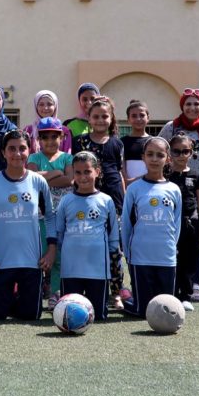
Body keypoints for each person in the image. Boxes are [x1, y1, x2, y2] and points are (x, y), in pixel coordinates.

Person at [0, 130, 57, 321]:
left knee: (30, 316)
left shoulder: (38, 181)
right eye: (11, 149)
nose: (17, 153)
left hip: (32, 263)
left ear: (30, 150)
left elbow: (50, 217)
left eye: (22, 148)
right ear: (3, 152)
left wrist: (51, 250)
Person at [159, 88, 199, 302]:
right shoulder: (171, 127)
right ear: (182, 106)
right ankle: (175, 283)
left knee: (198, 242)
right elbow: (159, 150)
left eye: (197, 104)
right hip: (175, 192)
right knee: (174, 242)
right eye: (188, 104)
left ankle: (195, 284)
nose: (193, 108)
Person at [73, 95, 126, 310]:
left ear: (112, 118)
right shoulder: (80, 142)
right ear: (89, 118)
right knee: (87, 245)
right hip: (86, 199)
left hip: (113, 200)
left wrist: (124, 200)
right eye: (96, 116)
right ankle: (87, 290)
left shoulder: (117, 143)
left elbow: (121, 173)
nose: (100, 120)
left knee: (114, 250)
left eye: (105, 116)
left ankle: (115, 293)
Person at [54, 151, 119, 321]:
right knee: (69, 314)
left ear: (97, 172)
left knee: (98, 316)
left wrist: (113, 253)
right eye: (78, 172)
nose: (83, 177)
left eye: (88, 171)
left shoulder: (106, 201)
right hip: (71, 269)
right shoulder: (66, 201)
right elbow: (59, 232)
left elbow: (113, 234)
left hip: (97, 270)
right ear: (73, 173)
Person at [121, 136, 181, 317]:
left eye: (160, 155)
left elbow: (176, 224)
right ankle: (132, 303)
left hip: (165, 256)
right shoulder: (134, 189)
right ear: (143, 158)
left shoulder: (173, 189)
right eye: (150, 154)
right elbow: (126, 223)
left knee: (166, 309)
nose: (155, 159)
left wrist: (171, 247)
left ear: (168, 159)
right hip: (140, 257)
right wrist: (128, 251)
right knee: (143, 312)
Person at [27, 116, 73, 309]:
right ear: (39, 139)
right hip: (40, 216)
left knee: (59, 255)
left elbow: (70, 180)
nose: (50, 141)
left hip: (62, 215)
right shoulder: (34, 158)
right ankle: (35, 291)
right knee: (41, 252)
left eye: (54, 136)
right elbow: (31, 180)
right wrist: (56, 174)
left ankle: (56, 292)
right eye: (45, 137)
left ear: (61, 137)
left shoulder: (67, 158)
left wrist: (44, 180)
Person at [165, 133, 199, 311]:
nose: (181, 155)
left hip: (191, 224)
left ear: (191, 153)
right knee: (171, 259)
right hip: (169, 225)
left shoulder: (195, 176)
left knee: (189, 261)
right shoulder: (165, 175)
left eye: (185, 151)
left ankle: (186, 295)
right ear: (169, 154)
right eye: (176, 151)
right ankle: (172, 293)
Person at [23, 90, 72, 154]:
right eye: (41, 104)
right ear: (36, 107)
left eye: (49, 104)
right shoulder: (28, 130)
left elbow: (67, 155)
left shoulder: (64, 131)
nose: (45, 108)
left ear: (55, 106)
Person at [121, 99, 151, 186]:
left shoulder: (154, 142)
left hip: (150, 186)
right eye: (134, 116)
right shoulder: (122, 142)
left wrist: (139, 180)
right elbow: (121, 168)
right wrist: (127, 182)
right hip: (129, 189)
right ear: (128, 119)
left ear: (148, 118)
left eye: (142, 115)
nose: (138, 119)